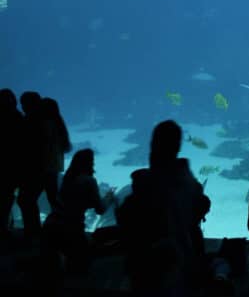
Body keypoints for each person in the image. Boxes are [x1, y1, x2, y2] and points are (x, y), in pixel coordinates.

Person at [116, 120, 211, 294]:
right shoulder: (189, 183)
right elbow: (201, 207)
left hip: (149, 264)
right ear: (178, 146)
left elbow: (125, 218)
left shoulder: (146, 184)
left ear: (153, 145)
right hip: (183, 259)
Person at [41, 148, 116, 274]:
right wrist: (109, 196)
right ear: (90, 164)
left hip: (51, 227)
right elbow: (100, 209)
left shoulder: (63, 179)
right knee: (80, 269)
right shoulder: (88, 181)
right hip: (72, 231)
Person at [16, 91, 46, 241]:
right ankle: (34, 230)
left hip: (33, 169)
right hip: (37, 168)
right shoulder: (40, 120)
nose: (22, 107)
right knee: (27, 200)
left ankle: (33, 231)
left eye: (24, 103)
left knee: (25, 200)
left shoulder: (31, 121)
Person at [0, 88, 23, 242]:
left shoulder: (17, 118)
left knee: (6, 198)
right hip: (12, 167)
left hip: (7, 166)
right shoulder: (18, 118)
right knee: (7, 198)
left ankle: (4, 227)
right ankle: (4, 228)